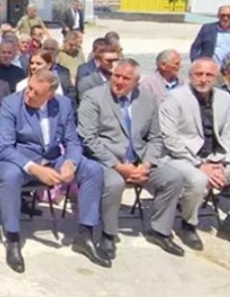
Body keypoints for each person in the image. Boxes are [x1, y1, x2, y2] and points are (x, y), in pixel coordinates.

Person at [0, 70, 109, 273]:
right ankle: (12, 238)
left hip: (53, 158)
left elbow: (72, 141)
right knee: (10, 176)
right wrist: (35, 169)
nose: (29, 94)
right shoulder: (12, 104)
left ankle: (85, 234)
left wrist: (70, 163)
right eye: (29, 88)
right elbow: (5, 147)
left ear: (50, 94)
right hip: (19, 159)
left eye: (36, 93)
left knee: (93, 169)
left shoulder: (62, 104)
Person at [158, 58, 230, 251]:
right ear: (190, 76)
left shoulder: (223, 97)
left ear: (216, 77)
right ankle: (188, 224)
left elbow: (228, 134)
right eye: (199, 74)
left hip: (215, 158)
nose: (203, 79)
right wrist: (200, 165)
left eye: (209, 75)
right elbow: (170, 139)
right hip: (180, 158)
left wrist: (220, 161)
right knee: (198, 180)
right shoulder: (174, 98)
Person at [78, 59, 186, 258]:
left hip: (138, 159)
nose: (118, 81)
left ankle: (160, 231)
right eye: (116, 76)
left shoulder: (147, 100)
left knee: (173, 178)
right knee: (114, 184)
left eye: (125, 78)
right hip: (105, 160)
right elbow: (88, 139)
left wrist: (146, 164)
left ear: (136, 81)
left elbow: (155, 137)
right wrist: (118, 166)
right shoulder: (93, 97)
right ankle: (108, 234)